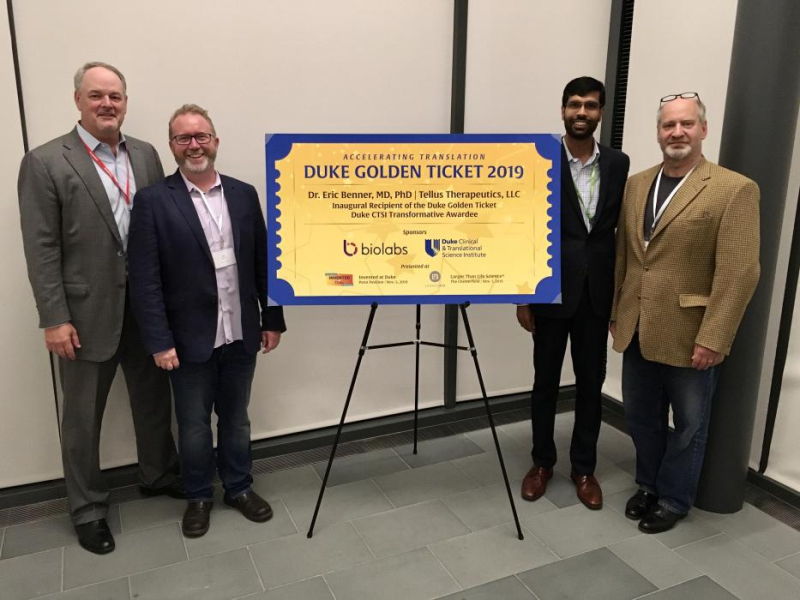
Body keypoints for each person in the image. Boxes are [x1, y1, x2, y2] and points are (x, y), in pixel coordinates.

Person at [17, 62, 181, 555]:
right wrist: (54, 317)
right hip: (85, 315)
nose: (107, 104)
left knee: (154, 400)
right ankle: (87, 508)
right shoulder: (46, 161)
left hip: (148, 308)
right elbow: (41, 247)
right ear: (78, 101)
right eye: (96, 96)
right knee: (83, 416)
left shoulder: (148, 155)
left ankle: (158, 474)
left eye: (115, 96)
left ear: (126, 102)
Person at [128, 104, 286, 538]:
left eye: (201, 136)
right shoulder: (154, 201)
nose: (194, 145)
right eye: (184, 138)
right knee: (194, 425)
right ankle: (198, 495)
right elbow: (145, 280)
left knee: (236, 419)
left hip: (240, 331)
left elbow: (263, 262)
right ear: (172, 147)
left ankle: (238, 487)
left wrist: (271, 318)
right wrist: (159, 342)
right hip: (187, 338)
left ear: (215, 141)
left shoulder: (243, 193)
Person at [610, 93, 760, 533]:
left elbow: (740, 271)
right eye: (668, 125)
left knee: (689, 425)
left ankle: (674, 499)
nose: (677, 132)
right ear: (658, 132)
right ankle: (648, 485)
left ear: (703, 130)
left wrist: (714, 336)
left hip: (690, 332)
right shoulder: (637, 184)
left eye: (686, 124)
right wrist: (617, 311)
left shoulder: (734, 188)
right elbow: (626, 254)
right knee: (640, 417)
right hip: (636, 324)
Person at [517, 77, 630, 509]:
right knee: (544, 383)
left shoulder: (619, 164)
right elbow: (525, 230)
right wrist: (523, 296)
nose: (582, 112)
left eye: (591, 106)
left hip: (596, 297)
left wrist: (619, 300)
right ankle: (542, 463)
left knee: (590, 385)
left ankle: (583, 468)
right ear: (563, 110)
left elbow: (614, 235)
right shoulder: (538, 159)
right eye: (575, 105)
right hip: (548, 293)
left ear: (601, 113)